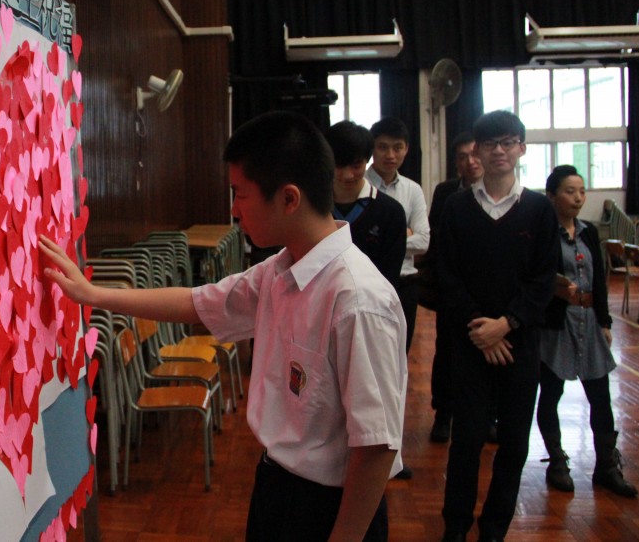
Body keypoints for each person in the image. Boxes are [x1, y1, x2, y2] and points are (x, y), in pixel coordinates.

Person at [40, 111, 407, 542]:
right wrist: (94, 294)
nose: (234, 210)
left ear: (289, 199)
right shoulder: (279, 271)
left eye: (240, 194)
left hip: (330, 508)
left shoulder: (359, 301)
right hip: (277, 486)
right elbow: (196, 302)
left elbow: (376, 446)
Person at [436, 110, 560, 542]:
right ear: (477, 151)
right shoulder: (456, 207)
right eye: (490, 144)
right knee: (466, 441)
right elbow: (446, 275)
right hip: (470, 342)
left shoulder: (539, 210)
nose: (499, 151)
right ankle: (455, 527)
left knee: (514, 442)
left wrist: (506, 324)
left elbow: (544, 279)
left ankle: (493, 529)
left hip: (519, 345)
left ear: (522, 148)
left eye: (508, 142)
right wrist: (481, 330)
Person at [536, 165, 637, 497]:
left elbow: (600, 282)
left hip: (589, 322)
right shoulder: (543, 232)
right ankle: (557, 461)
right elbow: (534, 278)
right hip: (556, 325)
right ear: (552, 196)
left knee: (600, 397)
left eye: (581, 191)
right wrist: (555, 289)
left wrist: (605, 321)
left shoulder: (589, 231)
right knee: (551, 394)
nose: (578, 198)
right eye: (569, 191)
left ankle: (606, 466)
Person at [420, 132, 483, 443]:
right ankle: (443, 413)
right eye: (462, 157)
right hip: (451, 287)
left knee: (486, 351)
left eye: (474, 154)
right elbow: (435, 239)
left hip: (486, 289)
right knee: (447, 351)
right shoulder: (445, 192)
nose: (469, 162)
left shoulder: (500, 193)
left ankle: (488, 415)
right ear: (455, 163)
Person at [366, 116, 429, 354]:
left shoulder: (413, 190)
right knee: (368, 354)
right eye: (383, 147)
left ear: (406, 149)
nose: (390, 155)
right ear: (372, 149)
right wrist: (404, 234)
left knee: (400, 354)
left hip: (405, 285)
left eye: (397, 147)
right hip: (368, 282)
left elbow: (423, 242)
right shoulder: (360, 185)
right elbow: (356, 240)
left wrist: (380, 237)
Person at [325, 121, 407, 289]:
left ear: (367, 160)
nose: (348, 175)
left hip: (372, 298)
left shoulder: (391, 212)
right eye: (339, 165)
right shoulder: (314, 209)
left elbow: (389, 275)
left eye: (356, 166)